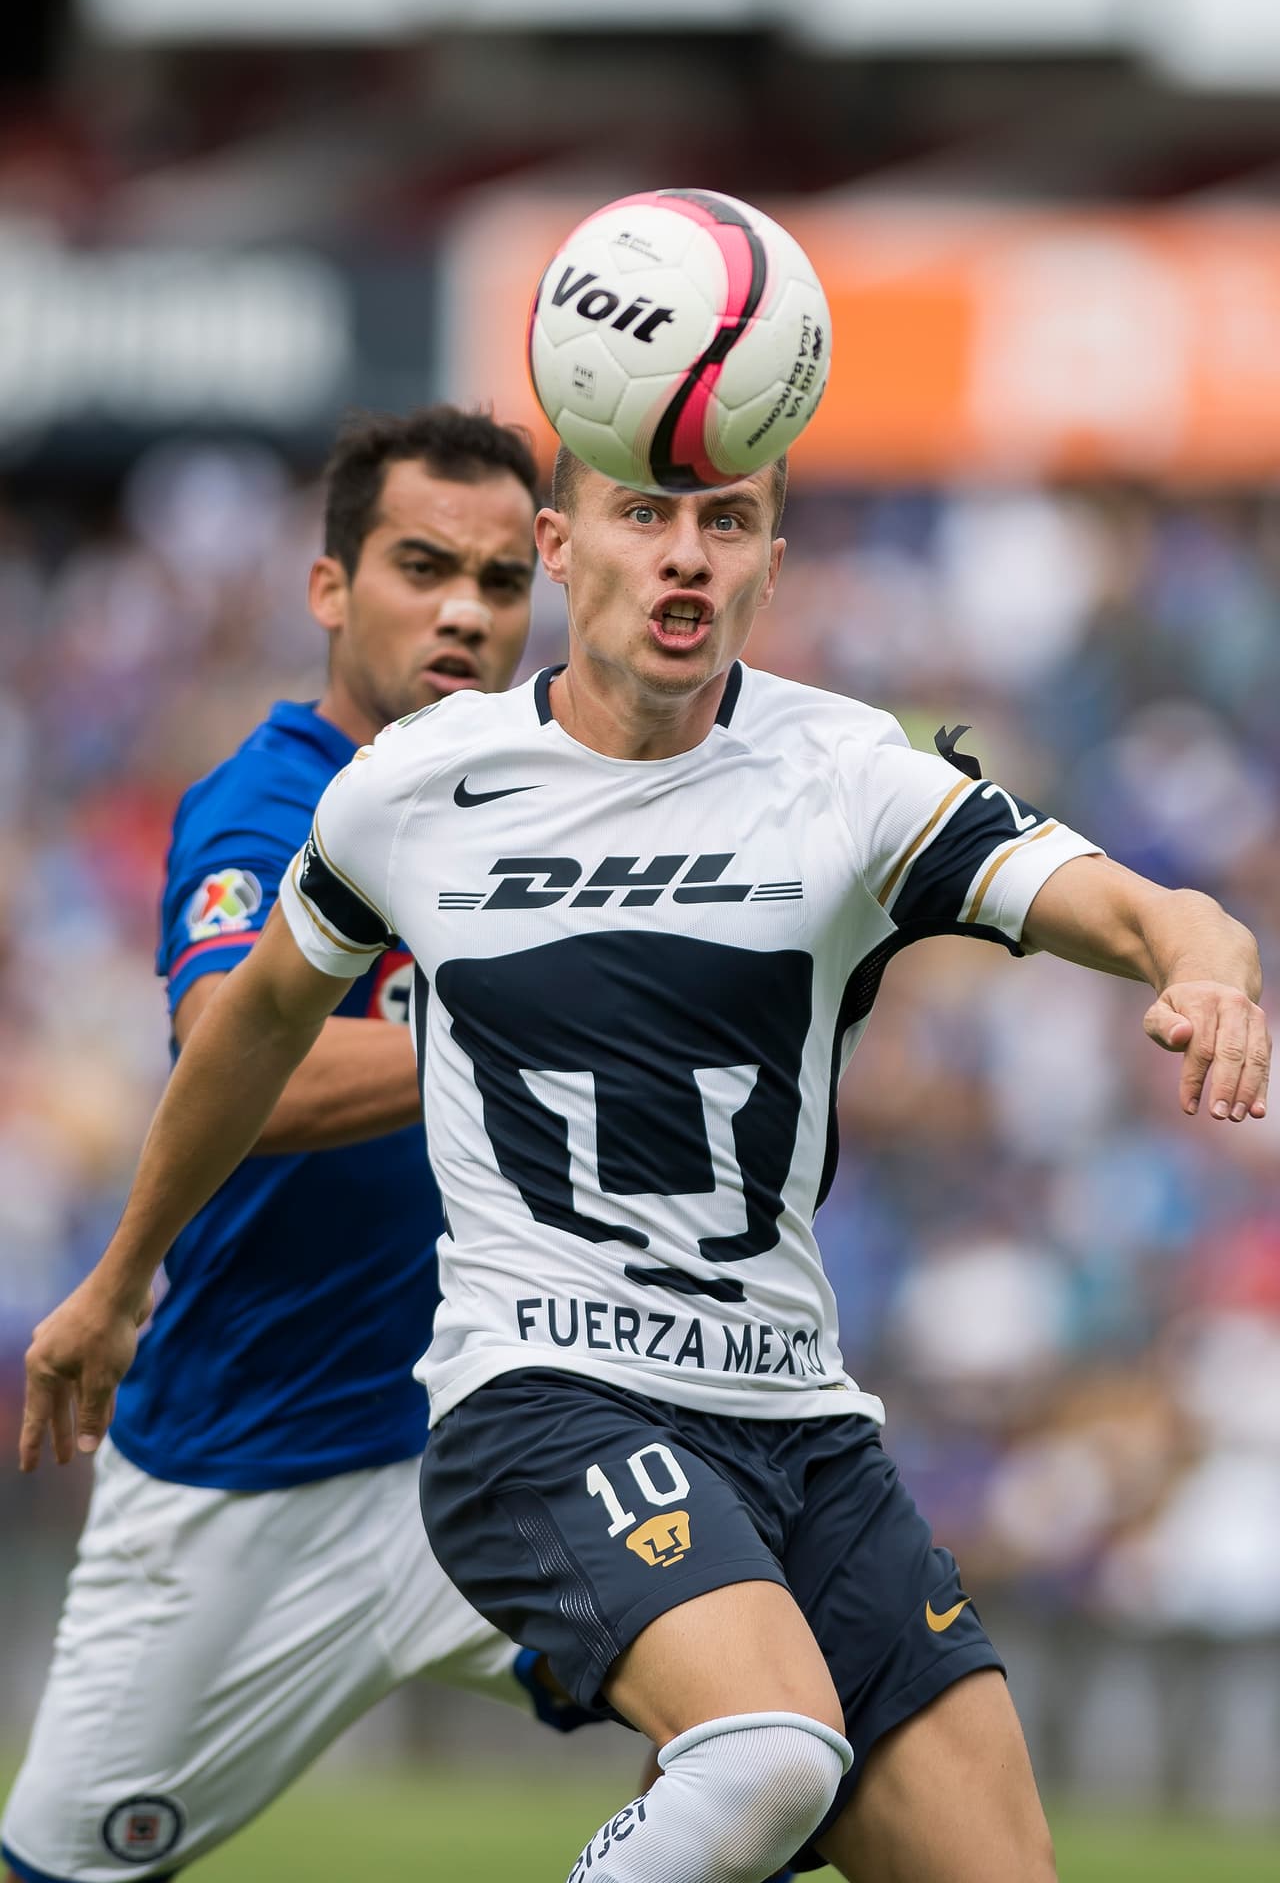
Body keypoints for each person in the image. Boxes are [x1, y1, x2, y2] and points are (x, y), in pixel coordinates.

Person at [20, 446, 1270, 1883]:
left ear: (772, 565)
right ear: (575, 546)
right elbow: (246, 1039)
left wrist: (1209, 966)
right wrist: (119, 1283)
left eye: (727, 524)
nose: (687, 556)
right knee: (764, 1755)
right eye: (646, 518)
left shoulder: (851, 773)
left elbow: (1145, 906)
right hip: (540, 1404)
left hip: (797, 1425)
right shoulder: (407, 789)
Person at [3, 406, 593, 1883]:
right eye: (420, 565)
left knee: (798, 1734)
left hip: (489, 1448)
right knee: (65, 1867)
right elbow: (241, 1069)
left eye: (503, 579)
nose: (465, 607)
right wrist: (542, 1030)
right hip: (241, 1474)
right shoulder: (264, 807)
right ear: (331, 590)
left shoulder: (560, 812)